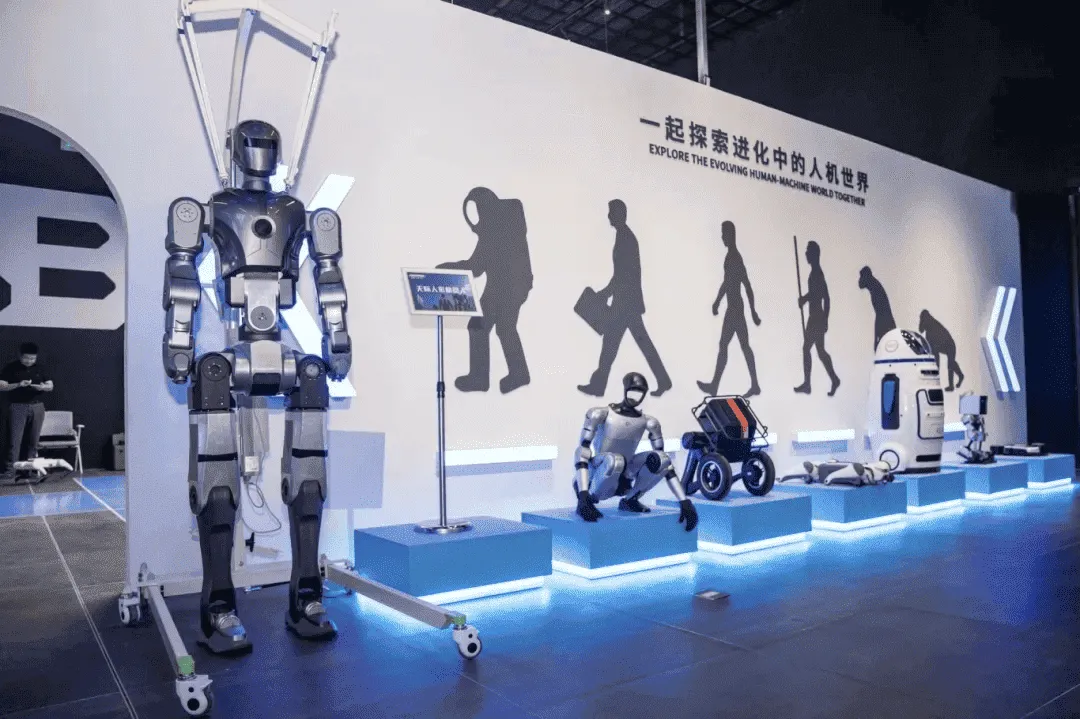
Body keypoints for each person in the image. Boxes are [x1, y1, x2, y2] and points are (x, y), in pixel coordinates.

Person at [438, 187, 533, 394]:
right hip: (507, 284)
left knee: (493, 327)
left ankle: (492, 377)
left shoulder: (494, 231)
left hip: (509, 286)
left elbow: (475, 267)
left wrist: (448, 267)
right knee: (493, 327)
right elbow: (478, 266)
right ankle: (507, 374)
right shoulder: (505, 225)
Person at [579, 200, 672, 397]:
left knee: (613, 346)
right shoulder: (624, 236)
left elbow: (624, 275)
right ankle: (663, 380)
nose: (609, 216)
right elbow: (621, 274)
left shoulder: (626, 238)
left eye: (611, 212)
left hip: (625, 303)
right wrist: (606, 293)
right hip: (625, 302)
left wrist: (605, 293)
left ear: (620, 214)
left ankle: (599, 386)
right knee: (622, 345)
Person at [697, 221, 761, 397]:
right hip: (734, 307)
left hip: (735, 309)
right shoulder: (732, 256)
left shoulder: (734, 258)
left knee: (733, 345)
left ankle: (719, 386)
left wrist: (753, 312)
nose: (722, 237)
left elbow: (743, 285)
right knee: (736, 346)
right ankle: (748, 385)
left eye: (724, 234)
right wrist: (718, 302)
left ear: (730, 235)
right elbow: (732, 283)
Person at [794, 241, 841, 396]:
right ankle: (834, 379)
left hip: (816, 319)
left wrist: (825, 319)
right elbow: (818, 295)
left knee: (806, 349)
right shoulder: (815, 272)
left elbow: (823, 297)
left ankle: (808, 384)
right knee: (820, 351)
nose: (806, 254)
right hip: (816, 317)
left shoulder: (817, 274)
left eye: (808, 251)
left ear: (814, 254)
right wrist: (805, 299)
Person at [0, 343, 53, 476]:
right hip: (17, 406)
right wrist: (18, 384)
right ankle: (10, 470)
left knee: (33, 441)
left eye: (32, 358)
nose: (29, 361)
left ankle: (28, 470)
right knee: (14, 441)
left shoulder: (40, 368)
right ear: (20, 356)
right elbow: (2, 386)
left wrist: (42, 387)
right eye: (26, 358)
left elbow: (50, 385)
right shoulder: (11, 368)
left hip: (37, 406)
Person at [919, 310, 964, 391]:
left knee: (950, 364)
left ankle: (953, 384)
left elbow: (922, 330)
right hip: (941, 346)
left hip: (949, 345)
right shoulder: (928, 331)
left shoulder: (933, 325)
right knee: (949, 362)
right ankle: (960, 376)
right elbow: (921, 330)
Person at [858, 266, 896, 350]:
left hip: (886, 323)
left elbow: (881, 314)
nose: (860, 279)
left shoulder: (875, 287)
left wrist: (876, 339)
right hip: (887, 322)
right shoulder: (874, 286)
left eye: (861, 276)